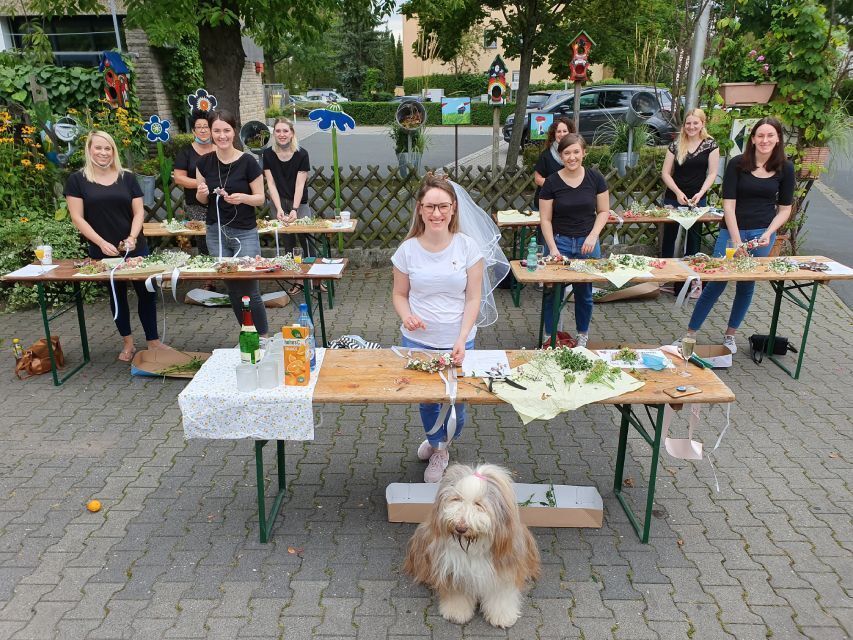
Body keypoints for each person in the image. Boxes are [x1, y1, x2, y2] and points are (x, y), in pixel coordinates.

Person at [392, 173, 485, 483]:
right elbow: (399, 294)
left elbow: (473, 297)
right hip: (419, 341)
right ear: (420, 209)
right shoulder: (407, 250)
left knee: (457, 401)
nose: (436, 214)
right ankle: (438, 448)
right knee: (428, 400)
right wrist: (406, 316)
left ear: (453, 208)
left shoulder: (468, 247)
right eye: (430, 207)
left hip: (459, 340)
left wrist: (461, 338)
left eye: (442, 206)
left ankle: (441, 441)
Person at [682, 117, 794, 353]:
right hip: (731, 232)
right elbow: (729, 206)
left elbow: (784, 209)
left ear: (778, 139)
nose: (765, 140)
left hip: (762, 236)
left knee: (746, 285)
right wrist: (736, 240)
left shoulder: (786, 167)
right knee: (715, 284)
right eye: (760, 135)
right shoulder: (736, 164)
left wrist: (769, 233)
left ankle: (730, 336)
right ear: (752, 139)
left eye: (770, 136)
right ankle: (690, 335)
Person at [65, 130, 170, 361]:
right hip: (101, 249)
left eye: (108, 148)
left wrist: (132, 238)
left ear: (113, 151)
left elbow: (138, 211)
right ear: (89, 150)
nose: (103, 153)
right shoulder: (77, 180)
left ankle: (153, 342)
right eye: (98, 148)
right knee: (117, 295)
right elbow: (77, 218)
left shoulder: (127, 178)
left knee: (147, 293)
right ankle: (128, 343)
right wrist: (101, 242)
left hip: (135, 247)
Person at [195, 110, 269, 336]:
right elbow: (202, 200)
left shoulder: (248, 162)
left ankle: (263, 335)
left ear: (234, 131)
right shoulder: (204, 163)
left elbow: (260, 198)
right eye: (216, 130)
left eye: (226, 130)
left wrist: (242, 198)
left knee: (248, 288)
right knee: (232, 288)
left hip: (244, 231)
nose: (222, 135)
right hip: (216, 232)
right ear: (210, 132)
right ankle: (248, 334)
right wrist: (202, 192)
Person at [539, 133, 610, 348]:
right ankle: (550, 336)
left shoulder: (595, 179)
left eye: (576, 152)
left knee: (584, 294)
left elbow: (604, 211)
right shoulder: (551, 182)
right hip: (559, 243)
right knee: (552, 291)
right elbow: (545, 219)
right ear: (561, 156)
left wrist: (592, 235)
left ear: (584, 153)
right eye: (566, 153)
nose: (571, 157)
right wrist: (552, 248)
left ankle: (582, 336)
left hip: (587, 245)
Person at [262, 117, 318, 294]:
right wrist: (278, 208)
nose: (282, 134)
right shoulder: (268, 155)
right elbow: (270, 183)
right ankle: (297, 280)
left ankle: (315, 279)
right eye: (278, 131)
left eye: (285, 131)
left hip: (298, 202)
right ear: (274, 134)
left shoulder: (302, 154)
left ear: (292, 133)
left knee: (307, 240)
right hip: (278, 201)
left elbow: (300, 184)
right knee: (288, 242)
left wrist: (294, 209)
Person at [660, 108, 720, 259]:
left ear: (702, 124)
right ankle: (666, 273)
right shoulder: (675, 145)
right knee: (669, 237)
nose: (691, 127)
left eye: (695, 123)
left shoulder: (710, 145)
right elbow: (665, 173)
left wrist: (701, 193)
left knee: (694, 237)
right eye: (688, 123)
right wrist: (678, 192)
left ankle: (690, 277)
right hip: (673, 198)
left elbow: (712, 173)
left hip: (697, 198)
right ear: (684, 125)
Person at [173, 109, 216, 287]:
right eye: (198, 127)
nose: (203, 130)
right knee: (204, 237)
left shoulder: (220, 149)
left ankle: (227, 271)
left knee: (223, 235)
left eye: (206, 127)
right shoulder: (186, 152)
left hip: (220, 201)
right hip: (195, 203)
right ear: (193, 131)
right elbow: (178, 178)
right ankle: (209, 278)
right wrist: (201, 184)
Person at [533, 117, 576, 210]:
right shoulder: (546, 155)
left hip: (568, 203)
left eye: (565, 131)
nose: (562, 134)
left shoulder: (576, 156)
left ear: (570, 133)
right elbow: (538, 179)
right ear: (554, 134)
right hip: (546, 203)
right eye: (558, 131)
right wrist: (559, 185)